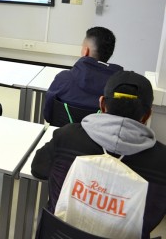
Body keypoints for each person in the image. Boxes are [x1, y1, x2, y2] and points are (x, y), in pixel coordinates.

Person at [32, 71, 166, 238]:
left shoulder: (67, 137)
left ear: (102, 104)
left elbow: (38, 169)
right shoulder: (162, 163)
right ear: (147, 115)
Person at [43, 26, 123, 125]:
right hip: (99, 139)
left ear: (85, 51)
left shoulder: (63, 79)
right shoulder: (118, 87)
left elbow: (48, 115)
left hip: (63, 137)